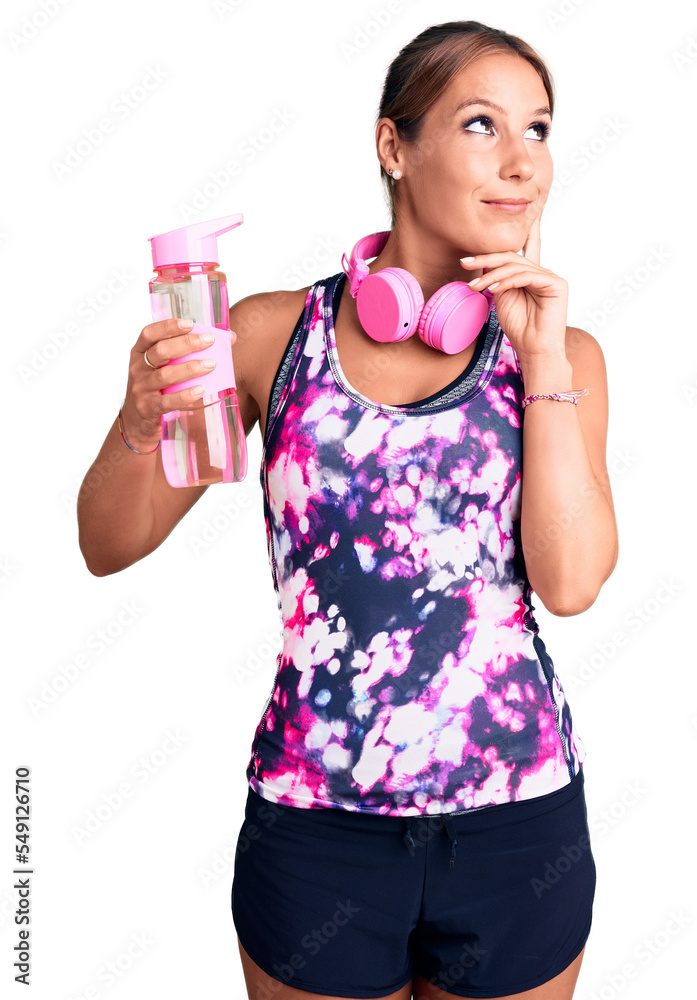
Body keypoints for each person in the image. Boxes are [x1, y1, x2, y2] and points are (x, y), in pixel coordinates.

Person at [77, 19, 618, 1000]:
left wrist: (537, 359)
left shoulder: (565, 356)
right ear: (393, 146)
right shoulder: (261, 336)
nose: (521, 161)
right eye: (482, 123)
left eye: (537, 130)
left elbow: (571, 582)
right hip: (314, 830)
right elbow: (109, 545)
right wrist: (136, 416)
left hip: (516, 825)